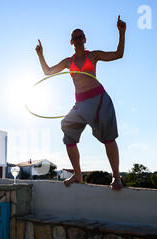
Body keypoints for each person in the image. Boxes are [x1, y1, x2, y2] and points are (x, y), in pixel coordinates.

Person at [35, 15, 126, 190]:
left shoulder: (93, 56)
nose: (78, 39)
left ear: (85, 39)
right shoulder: (68, 62)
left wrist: (121, 32)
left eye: (80, 36)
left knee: (108, 137)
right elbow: (47, 72)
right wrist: (41, 54)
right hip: (81, 103)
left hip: (99, 99)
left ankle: (116, 177)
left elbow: (119, 54)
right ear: (71, 42)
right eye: (75, 37)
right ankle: (78, 175)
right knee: (67, 126)